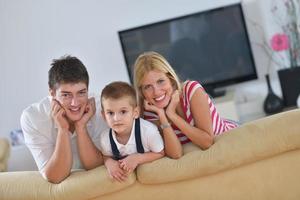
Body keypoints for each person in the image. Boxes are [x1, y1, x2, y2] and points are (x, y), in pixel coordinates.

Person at [133, 51, 238, 159]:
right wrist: (163, 116)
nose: (156, 92)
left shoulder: (192, 91)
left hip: (232, 136)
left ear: (171, 80)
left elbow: (207, 142)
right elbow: (175, 154)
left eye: (161, 81)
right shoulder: (150, 112)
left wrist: (172, 115)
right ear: (142, 92)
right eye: (147, 87)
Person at [20, 55, 108, 183]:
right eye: (66, 95)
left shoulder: (101, 107)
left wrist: (81, 126)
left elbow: (96, 167)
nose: (75, 103)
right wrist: (63, 129)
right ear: (52, 93)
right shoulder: (33, 118)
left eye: (81, 93)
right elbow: (55, 176)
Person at [99, 81, 164, 182]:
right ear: (104, 116)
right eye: (110, 113)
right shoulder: (105, 138)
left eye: (123, 112)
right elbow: (106, 156)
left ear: (135, 112)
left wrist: (137, 158)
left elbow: (161, 153)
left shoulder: (148, 131)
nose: (116, 118)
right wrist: (109, 163)